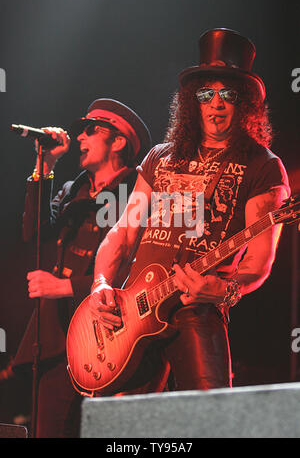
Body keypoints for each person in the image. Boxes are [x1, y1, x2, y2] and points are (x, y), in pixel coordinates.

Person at [89, 29, 290, 393]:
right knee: (121, 425)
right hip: (134, 311)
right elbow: (123, 232)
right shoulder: (160, 157)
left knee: (207, 418)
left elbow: (259, 260)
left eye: (227, 94)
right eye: (206, 94)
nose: (216, 103)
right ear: (191, 101)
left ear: (243, 103)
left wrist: (224, 291)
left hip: (195, 309)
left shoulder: (263, 166)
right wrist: (100, 283)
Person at [11, 98, 152, 437]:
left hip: (112, 335)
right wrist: (44, 164)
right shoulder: (73, 190)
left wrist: (65, 287)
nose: (80, 138)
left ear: (118, 141)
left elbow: (139, 266)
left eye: (91, 130)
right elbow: (34, 232)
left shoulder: (139, 192)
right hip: (59, 335)